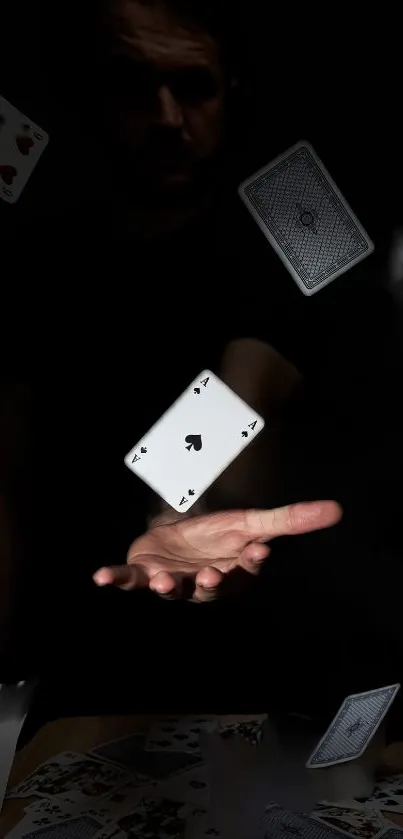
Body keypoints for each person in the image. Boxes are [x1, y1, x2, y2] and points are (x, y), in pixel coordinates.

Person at [2, 0, 403, 735]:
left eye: (193, 86)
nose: (165, 117)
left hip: (277, 667)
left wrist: (182, 510)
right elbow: (11, 467)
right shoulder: (42, 253)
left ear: (232, 88)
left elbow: (252, 373)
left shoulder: (289, 225)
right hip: (77, 663)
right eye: (132, 85)